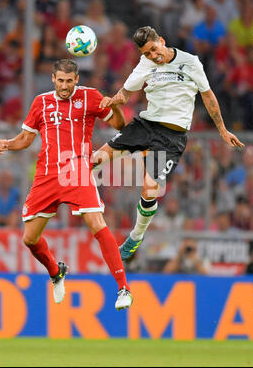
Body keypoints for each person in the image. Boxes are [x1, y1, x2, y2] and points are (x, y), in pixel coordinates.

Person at [94, 26, 244, 261]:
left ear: (162, 41)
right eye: (146, 53)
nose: (152, 56)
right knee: (95, 160)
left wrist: (222, 129)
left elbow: (208, 95)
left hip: (170, 138)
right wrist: (114, 100)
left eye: (154, 50)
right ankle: (64, 197)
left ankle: (135, 236)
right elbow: (125, 93)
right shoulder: (146, 65)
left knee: (149, 189)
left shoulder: (191, 62)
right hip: (145, 126)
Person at [0, 59, 132, 311]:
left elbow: (119, 126)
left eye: (69, 81)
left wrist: (115, 105)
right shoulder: (41, 102)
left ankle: (123, 287)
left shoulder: (90, 97)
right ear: (53, 78)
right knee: (29, 238)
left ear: (77, 79)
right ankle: (56, 272)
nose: (65, 86)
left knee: (96, 222)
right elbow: (26, 139)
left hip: (76, 170)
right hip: (46, 175)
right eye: (60, 80)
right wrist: (8, 143)